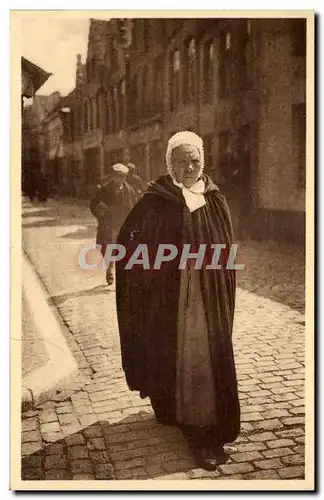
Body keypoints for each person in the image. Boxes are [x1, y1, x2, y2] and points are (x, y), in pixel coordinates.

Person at [115, 131, 240, 471]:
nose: (190, 166)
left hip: (207, 293)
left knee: (204, 354)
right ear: (170, 164)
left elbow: (226, 249)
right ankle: (190, 423)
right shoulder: (156, 199)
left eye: (195, 159)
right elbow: (128, 244)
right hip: (170, 295)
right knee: (177, 351)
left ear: (204, 162)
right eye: (182, 160)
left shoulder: (215, 199)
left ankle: (204, 421)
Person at [90, 163, 137, 285]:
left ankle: (115, 270)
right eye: (116, 176)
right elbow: (93, 205)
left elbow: (135, 208)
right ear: (112, 176)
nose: (119, 179)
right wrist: (100, 212)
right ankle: (109, 266)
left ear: (125, 177)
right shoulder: (103, 190)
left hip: (122, 224)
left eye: (122, 176)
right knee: (105, 248)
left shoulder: (130, 191)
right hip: (107, 224)